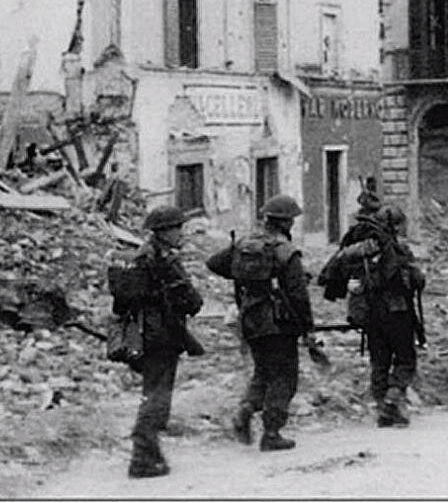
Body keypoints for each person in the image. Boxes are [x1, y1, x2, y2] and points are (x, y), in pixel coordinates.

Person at [206, 194, 313, 451]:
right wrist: (307, 328)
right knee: (283, 377)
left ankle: (245, 409)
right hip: (279, 322)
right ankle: (272, 432)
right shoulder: (285, 251)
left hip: (250, 320)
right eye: (291, 221)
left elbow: (214, 263)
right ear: (286, 223)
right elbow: (299, 295)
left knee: (262, 372)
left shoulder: (244, 244)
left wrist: (245, 275)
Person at [110, 204, 204, 479]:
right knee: (158, 395)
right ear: (163, 232)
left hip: (145, 332)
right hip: (161, 334)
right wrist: (193, 303)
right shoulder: (164, 259)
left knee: (154, 391)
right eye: (177, 228)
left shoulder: (141, 256)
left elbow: (121, 304)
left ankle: (150, 454)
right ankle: (141, 456)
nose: (180, 233)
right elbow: (190, 299)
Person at [333, 204, 426, 427]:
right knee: (405, 358)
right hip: (397, 310)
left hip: (370, 313)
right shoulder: (398, 248)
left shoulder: (361, 250)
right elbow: (417, 280)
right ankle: (394, 396)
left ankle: (383, 410)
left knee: (379, 361)